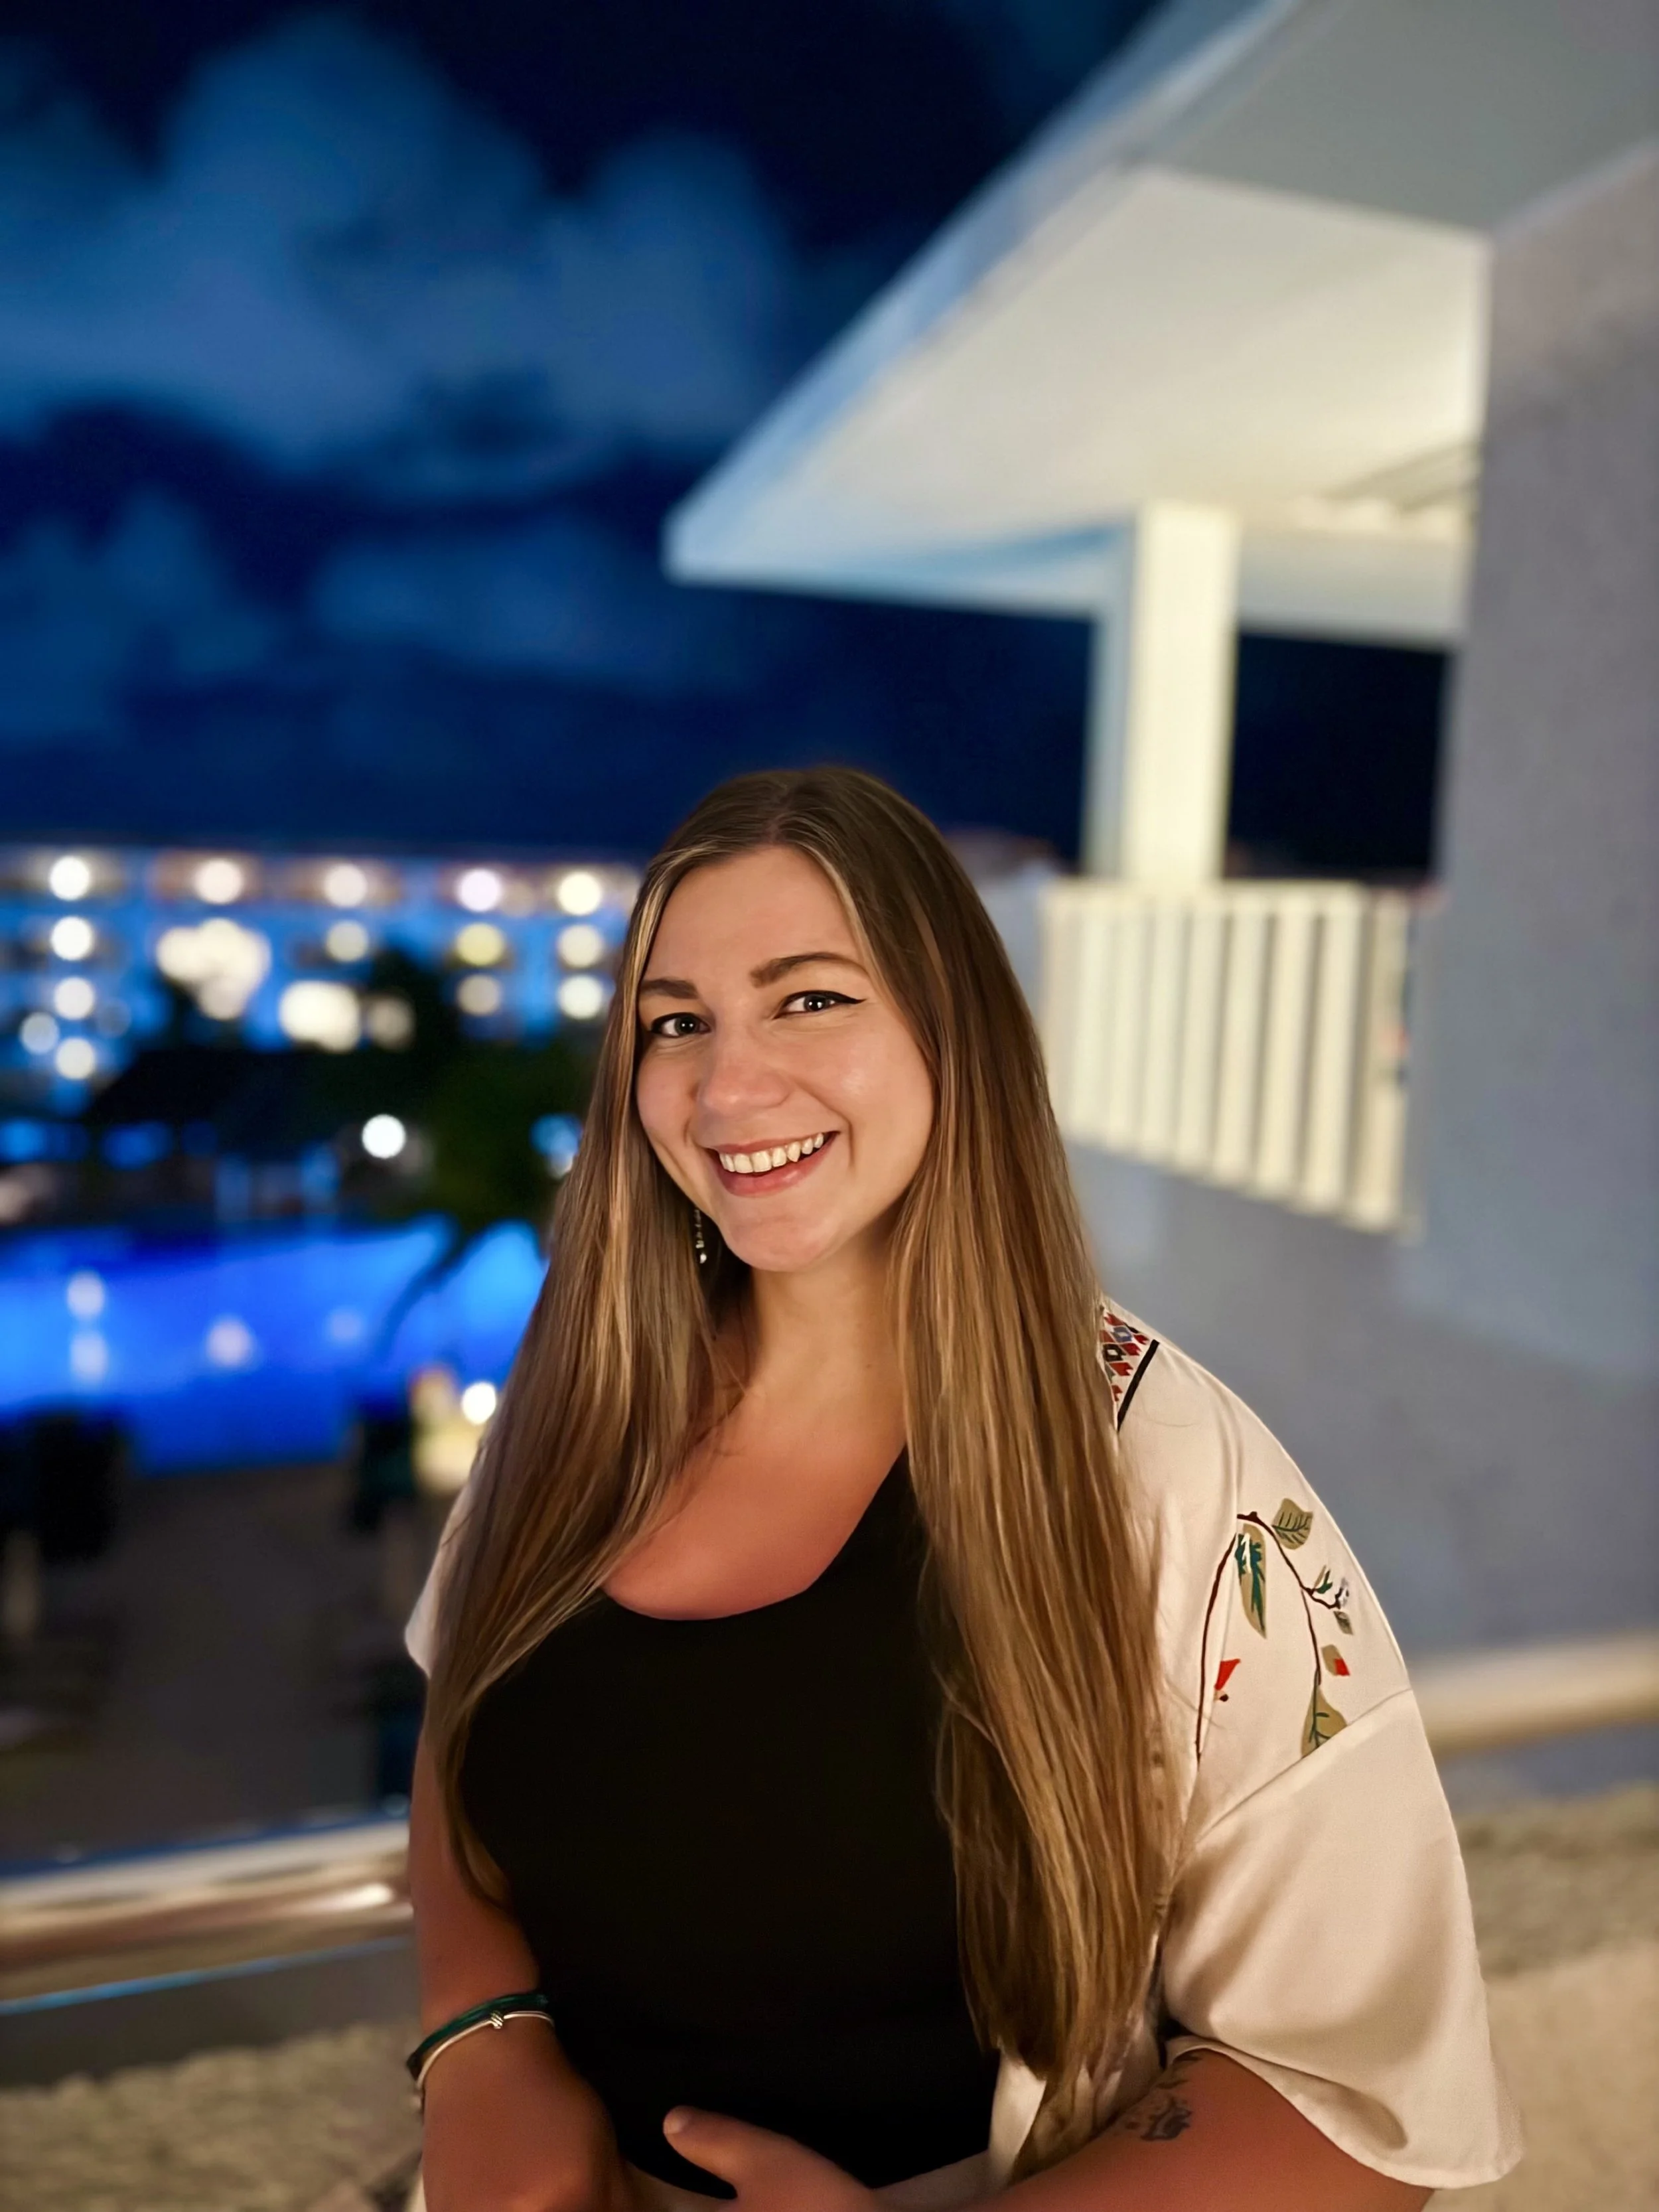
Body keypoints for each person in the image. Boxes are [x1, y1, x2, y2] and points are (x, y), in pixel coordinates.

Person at [405, 769, 1520, 2212]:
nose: (728, 1085)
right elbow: (460, 1707)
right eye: (675, 1019)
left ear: (954, 1029)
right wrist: (481, 2040)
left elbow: (1361, 2100)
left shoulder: (1162, 1472)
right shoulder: (582, 1398)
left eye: (809, 998)